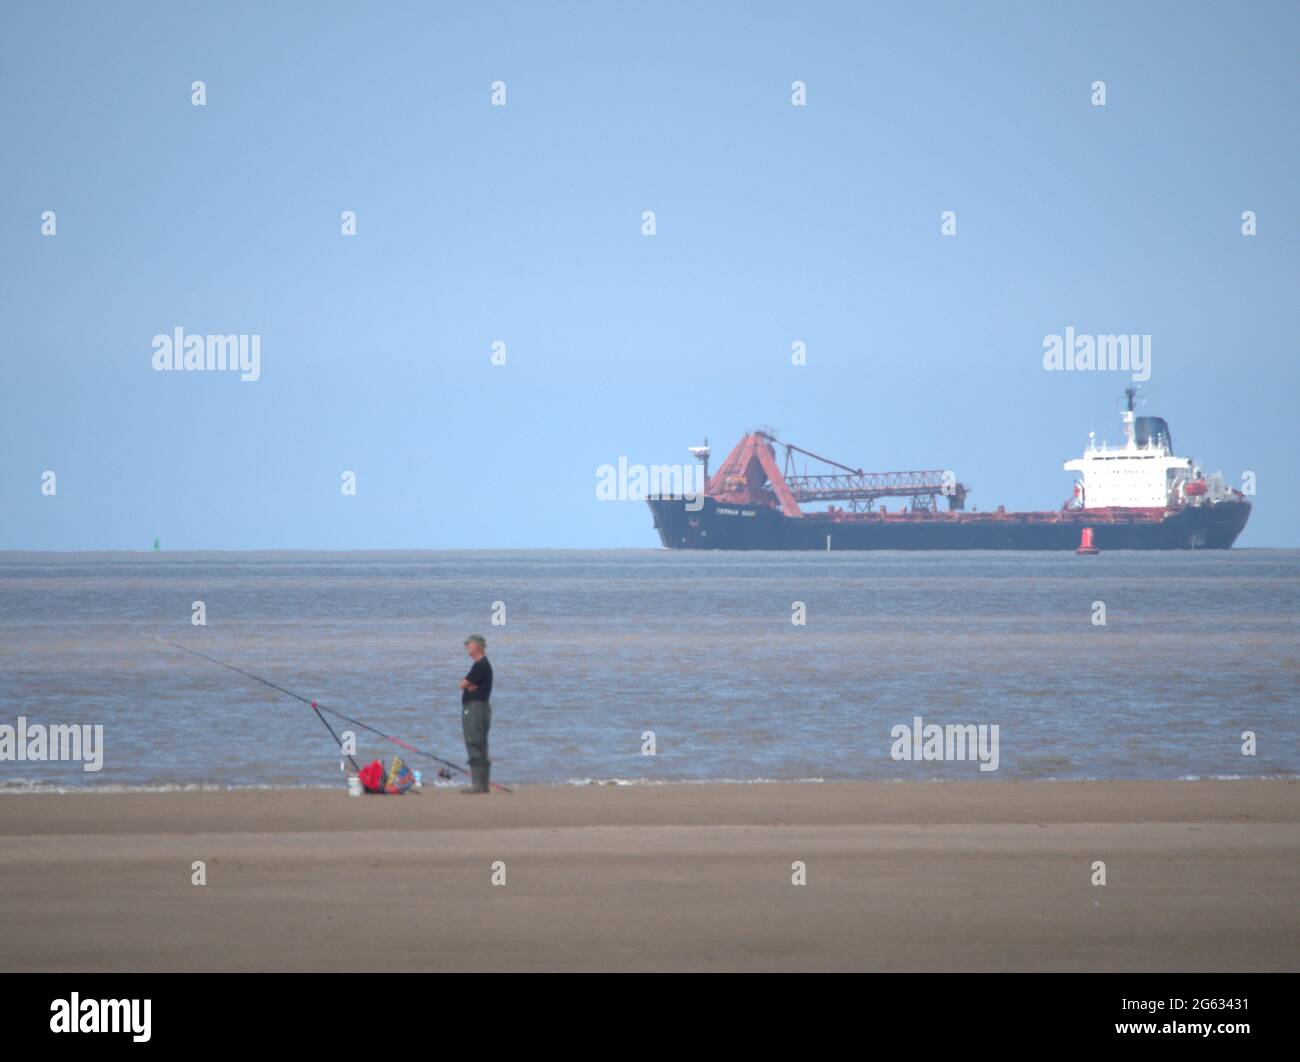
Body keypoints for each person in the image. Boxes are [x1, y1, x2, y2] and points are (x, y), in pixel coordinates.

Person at [457, 635, 493, 794]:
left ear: (478, 646)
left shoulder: (481, 665)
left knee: (474, 741)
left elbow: (462, 684)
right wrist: (467, 685)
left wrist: (467, 685)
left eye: (469, 644)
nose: (466, 647)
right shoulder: (482, 665)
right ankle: (481, 785)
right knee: (479, 742)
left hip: (475, 708)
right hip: (480, 707)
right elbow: (466, 685)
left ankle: (479, 785)